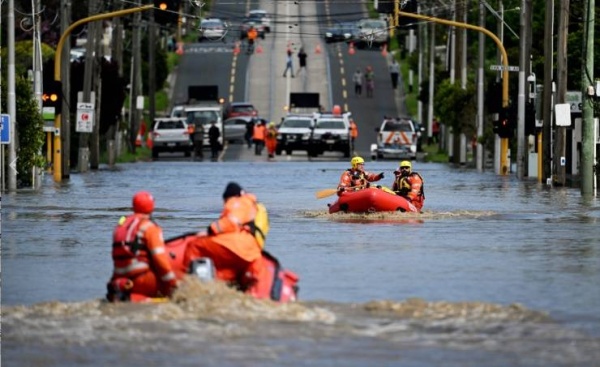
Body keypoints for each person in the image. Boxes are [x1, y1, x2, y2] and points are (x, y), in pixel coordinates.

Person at [183, 182, 266, 289]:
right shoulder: (253, 206)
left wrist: (209, 231)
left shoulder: (238, 202)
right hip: (252, 252)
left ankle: (187, 284)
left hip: (238, 245)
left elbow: (231, 222)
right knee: (226, 269)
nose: (225, 204)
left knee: (194, 245)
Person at [107, 191, 178, 301]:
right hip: (142, 280)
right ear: (152, 206)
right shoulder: (149, 227)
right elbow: (160, 259)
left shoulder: (120, 226)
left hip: (119, 281)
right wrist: (173, 283)